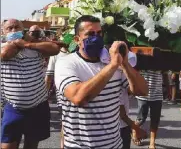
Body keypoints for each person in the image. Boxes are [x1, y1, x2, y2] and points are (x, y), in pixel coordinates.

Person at [54, 15, 148, 148]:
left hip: (113, 145)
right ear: (77, 40)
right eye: (90, 34)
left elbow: (142, 91)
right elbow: (78, 97)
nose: (96, 38)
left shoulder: (113, 62)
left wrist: (126, 64)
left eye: (99, 33)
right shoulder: (67, 63)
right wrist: (113, 66)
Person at [1, 19, 60, 149]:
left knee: (32, 144)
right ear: (3, 32)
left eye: (17, 27)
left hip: (38, 107)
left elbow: (55, 49)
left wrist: (28, 43)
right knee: (7, 146)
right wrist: (17, 42)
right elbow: (6, 53)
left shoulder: (33, 46)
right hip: (14, 108)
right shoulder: (2, 47)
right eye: (9, 28)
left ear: (23, 31)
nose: (13, 30)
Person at [133, 70, 163, 149]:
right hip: (142, 94)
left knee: (155, 119)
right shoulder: (142, 58)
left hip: (157, 93)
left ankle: (152, 142)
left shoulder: (162, 59)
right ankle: (134, 130)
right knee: (141, 118)